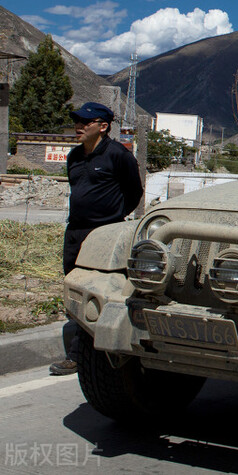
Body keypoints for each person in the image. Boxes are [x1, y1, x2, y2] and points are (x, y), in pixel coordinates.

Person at [50, 102, 143, 376]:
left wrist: (113, 217)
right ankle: (82, 349)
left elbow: (134, 192)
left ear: (103, 126)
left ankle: (82, 356)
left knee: (97, 292)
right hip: (75, 232)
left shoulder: (118, 155)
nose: (78, 126)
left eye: (85, 122)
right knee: (74, 290)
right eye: (77, 121)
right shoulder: (74, 156)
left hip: (104, 235)